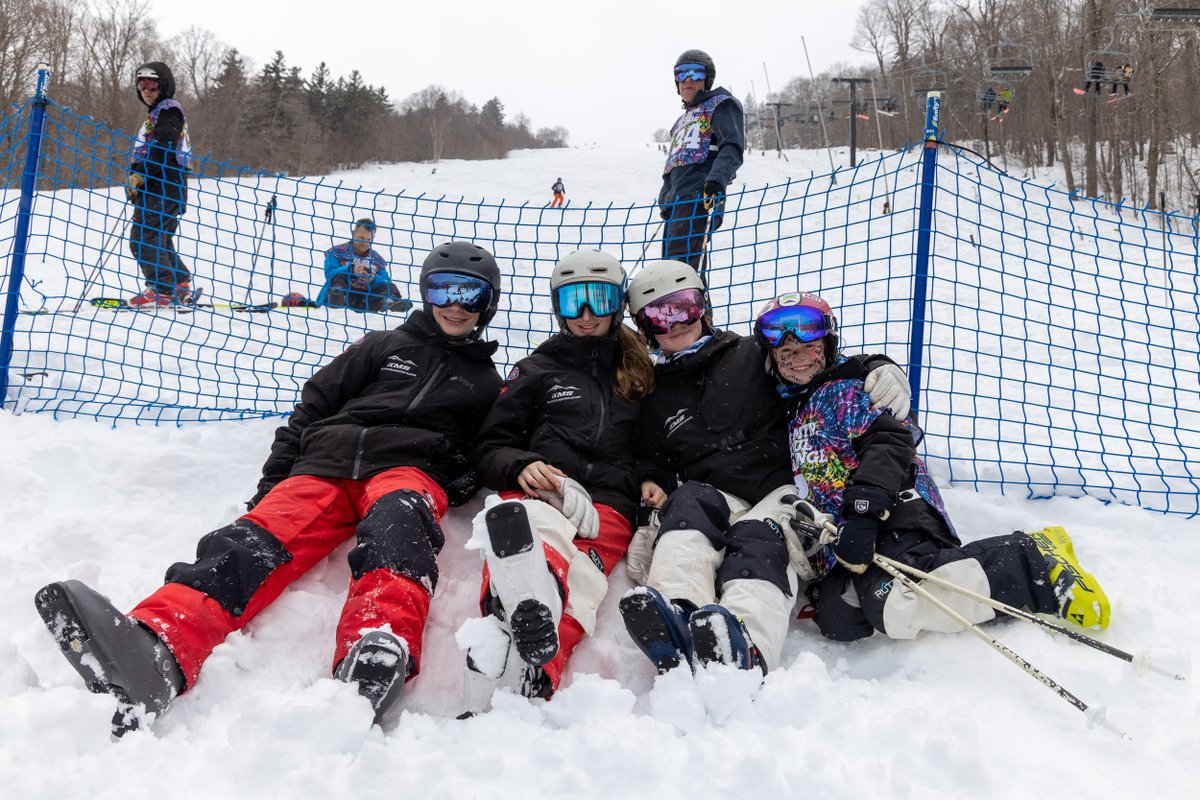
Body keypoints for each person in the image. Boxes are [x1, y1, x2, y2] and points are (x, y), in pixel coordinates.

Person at [33, 241, 505, 735]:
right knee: (252, 541)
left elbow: (486, 452)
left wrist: (451, 477)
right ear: (426, 292)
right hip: (328, 462)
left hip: (408, 470)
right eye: (442, 288)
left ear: (486, 304)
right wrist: (275, 481)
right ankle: (159, 646)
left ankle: (379, 642)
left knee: (400, 529)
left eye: (470, 293)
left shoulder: (487, 385)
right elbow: (314, 407)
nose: (455, 303)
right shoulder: (382, 345)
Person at [752, 290, 1111, 643]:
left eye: (808, 347)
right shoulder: (797, 412)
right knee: (839, 617)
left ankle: (1032, 560)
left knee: (897, 602)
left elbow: (891, 442)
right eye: (786, 352)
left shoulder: (842, 391)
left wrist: (863, 513)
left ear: (827, 345)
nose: (797, 357)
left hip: (894, 512)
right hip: (848, 532)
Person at [618, 261, 912, 676]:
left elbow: (814, 365)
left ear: (703, 308)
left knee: (761, 535)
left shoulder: (749, 354)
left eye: (683, 307)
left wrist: (874, 365)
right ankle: (679, 609)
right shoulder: (655, 393)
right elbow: (654, 457)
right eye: (658, 316)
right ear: (644, 327)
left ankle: (746, 639)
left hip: (780, 488)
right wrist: (654, 480)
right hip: (717, 494)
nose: (675, 323)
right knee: (687, 504)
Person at [459, 249, 654, 713]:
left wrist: (654, 482)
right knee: (530, 530)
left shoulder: (640, 374)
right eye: (573, 303)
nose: (586, 315)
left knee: (583, 575)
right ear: (557, 307)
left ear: (617, 305)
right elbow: (490, 445)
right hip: (544, 490)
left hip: (609, 502)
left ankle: (530, 667)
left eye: (598, 299)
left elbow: (658, 450)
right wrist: (520, 465)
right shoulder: (537, 370)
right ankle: (521, 604)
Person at [658, 49, 744, 273]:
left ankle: (692, 307)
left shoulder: (720, 105)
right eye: (681, 74)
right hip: (676, 205)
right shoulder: (681, 123)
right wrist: (665, 200)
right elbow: (674, 165)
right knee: (670, 273)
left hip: (700, 198)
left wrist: (716, 181)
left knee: (683, 273)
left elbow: (732, 146)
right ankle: (693, 308)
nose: (688, 79)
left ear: (707, 79)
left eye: (695, 73)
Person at [126, 62, 194, 308]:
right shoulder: (158, 113)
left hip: (162, 186)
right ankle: (179, 284)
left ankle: (162, 290)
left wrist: (142, 173)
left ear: (164, 86)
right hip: (165, 187)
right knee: (159, 238)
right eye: (142, 85)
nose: (146, 90)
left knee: (142, 238)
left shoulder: (169, 110)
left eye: (152, 85)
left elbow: (163, 145)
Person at [317, 217, 411, 313]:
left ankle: (389, 302)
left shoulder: (376, 258)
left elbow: (386, 281)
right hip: (344, 294)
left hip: (365, 300)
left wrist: (373, 279)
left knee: (389, 287)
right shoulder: (336, 251)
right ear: (353, 233)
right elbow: (329, 274)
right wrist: (350, 269)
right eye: (362, 238)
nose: (365, 242)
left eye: (368, 239)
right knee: (339, 276)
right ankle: (337, 298)